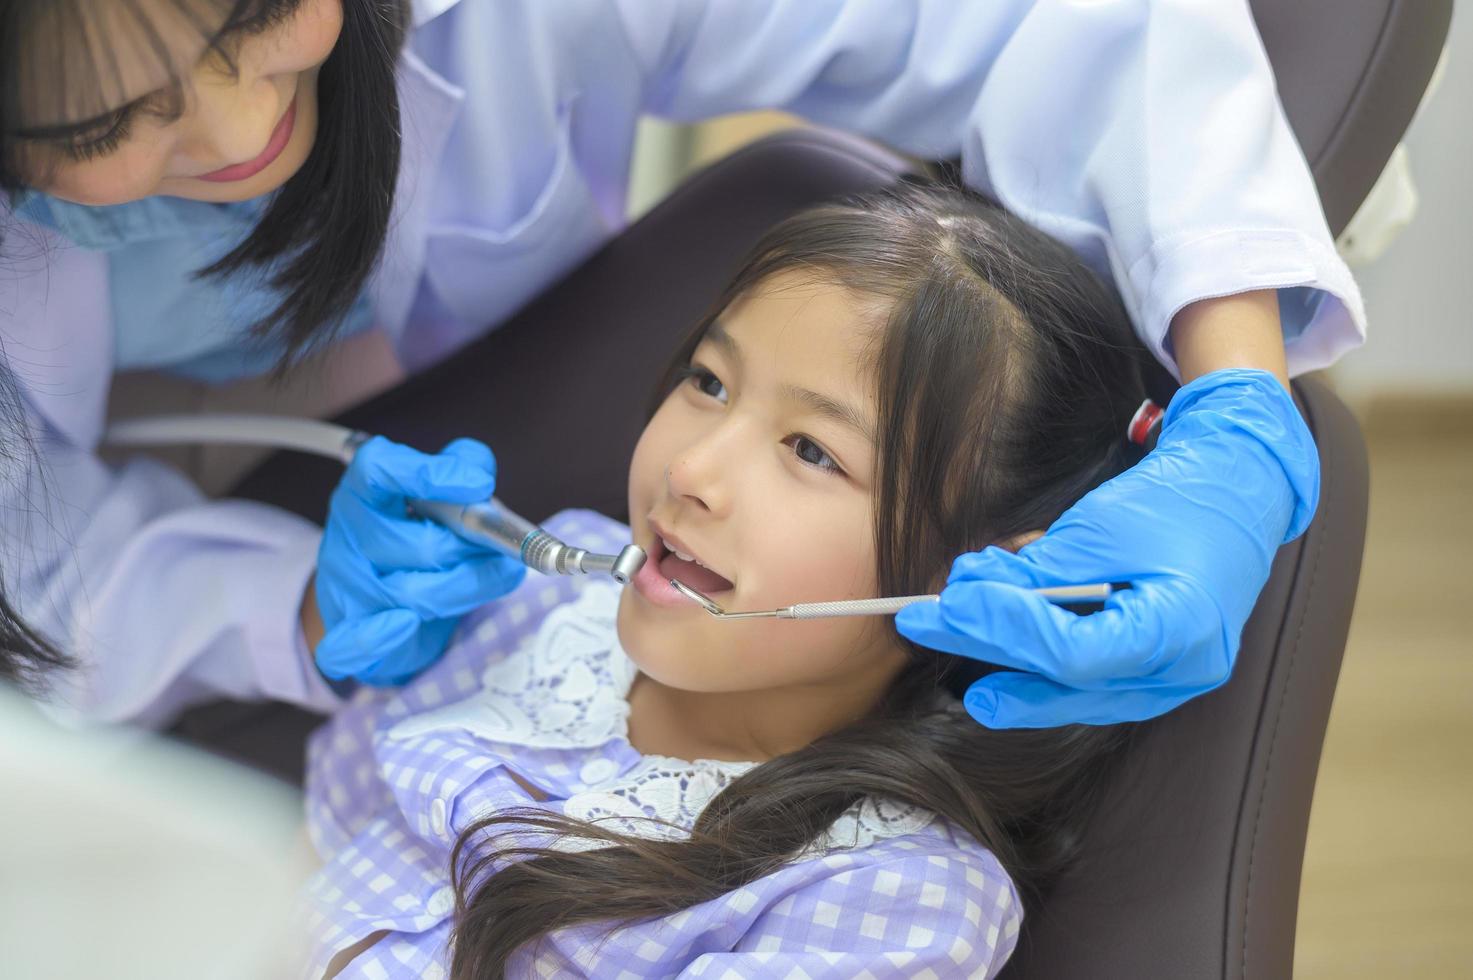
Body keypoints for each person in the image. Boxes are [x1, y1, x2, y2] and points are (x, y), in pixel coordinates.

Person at [0, 0, 1362, 730]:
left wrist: (1235, 392)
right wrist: (295, 611)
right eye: (110, 115)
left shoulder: (889, 905)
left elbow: (1056, 16)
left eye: (258, 9)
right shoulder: (453, 718)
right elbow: (41, 588)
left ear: (981, 552)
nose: (247, 122)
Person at [304, 181, 1146, 978]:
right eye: (708, 382)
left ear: (986, 581)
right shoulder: (542, 599)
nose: (691, 468)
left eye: (811, 450)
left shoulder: (890, 899)